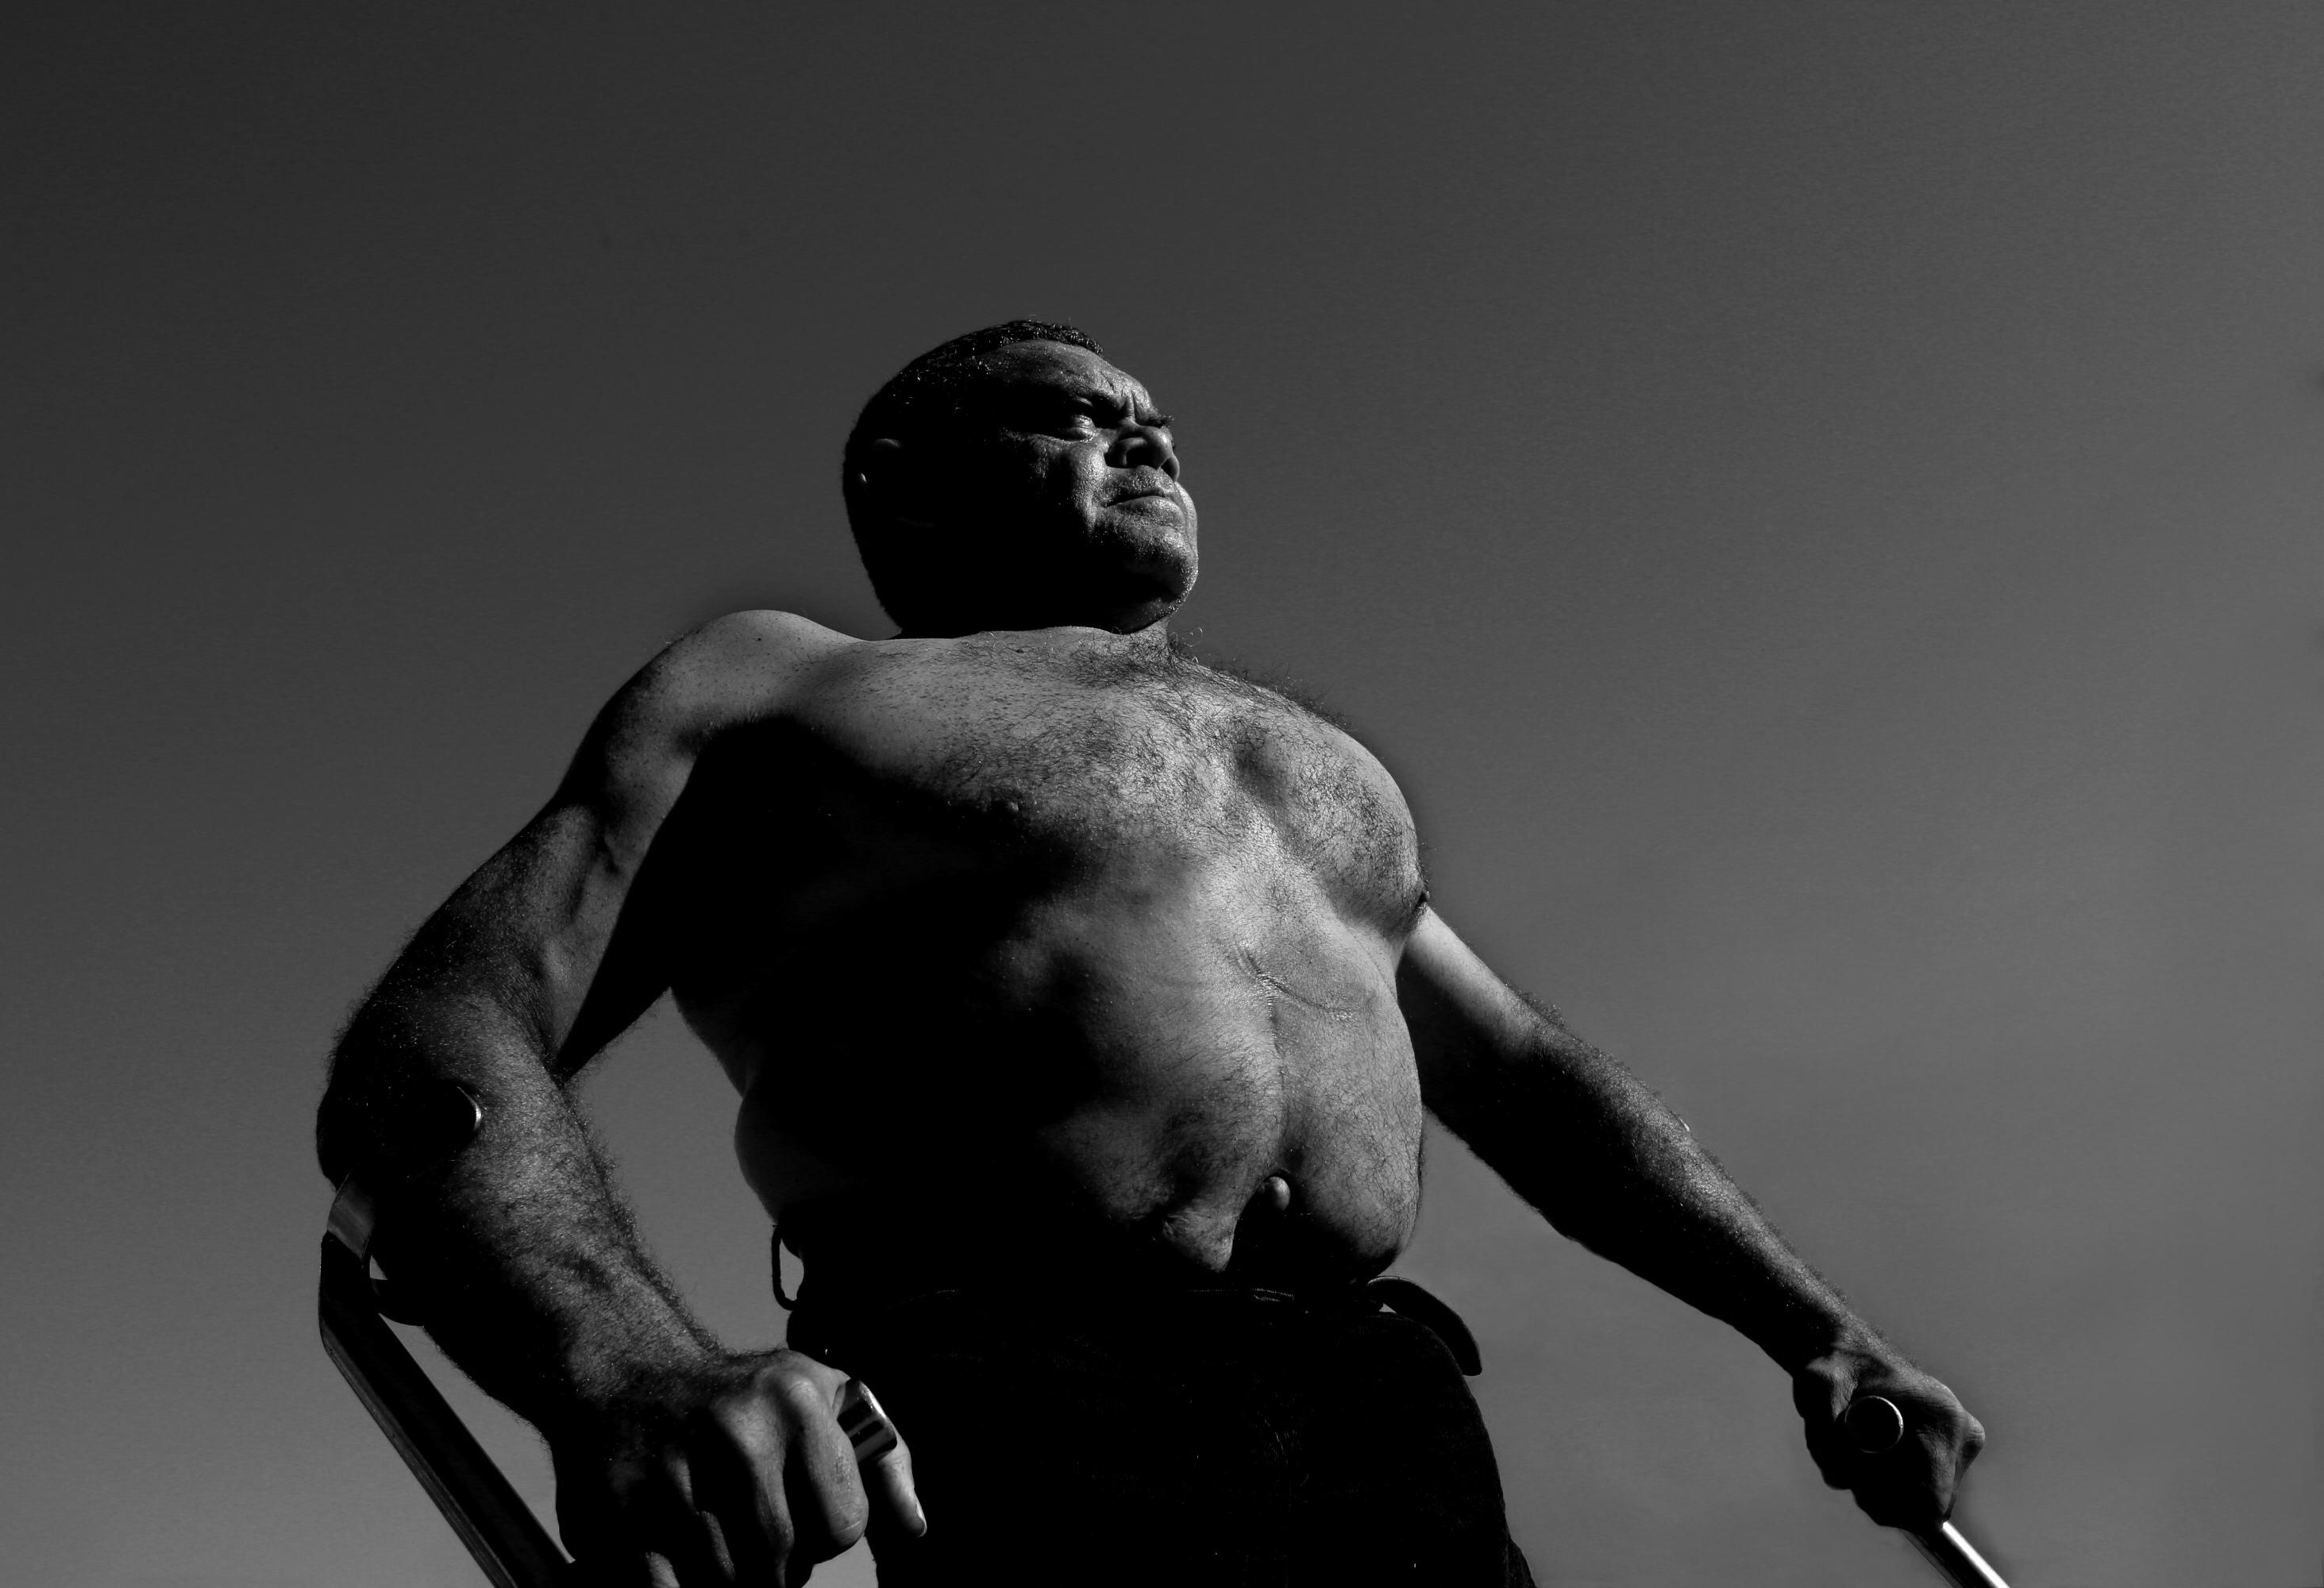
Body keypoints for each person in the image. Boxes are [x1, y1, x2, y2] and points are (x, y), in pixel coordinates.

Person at [316, 320, 1984, 1586]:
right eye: (1084, 412)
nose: (1149, 432)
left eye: (1158, 416)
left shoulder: (1311, 760)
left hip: (1382, 1393)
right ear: (919, 477)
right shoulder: (780, 687)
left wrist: (1820, 1328)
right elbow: (438, 1041)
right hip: (1017, 1389)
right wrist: (626, 1371)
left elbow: (1532, 1083)